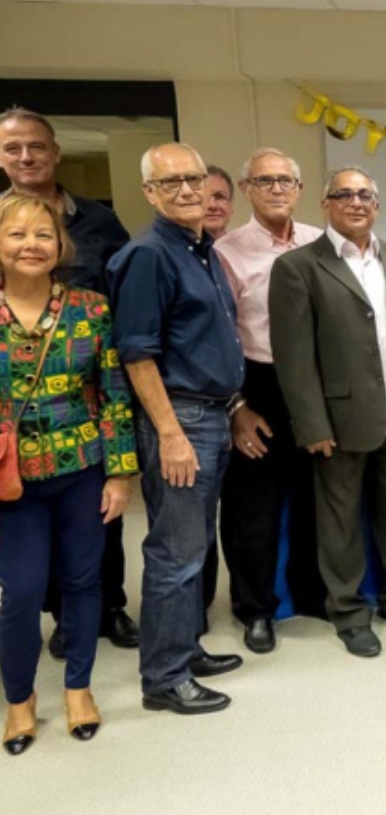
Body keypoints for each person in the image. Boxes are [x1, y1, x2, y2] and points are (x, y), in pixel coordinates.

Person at [109, 143, 246, 714]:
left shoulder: (200, 249)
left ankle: (185, 648)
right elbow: (137, 354)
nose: (187, 191)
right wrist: (169, 434)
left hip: (211, 414)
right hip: (181, 418)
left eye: (194, 179)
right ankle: (163, 678)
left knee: (195, 543)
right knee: (174, 551)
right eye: (171, 184)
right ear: (149, 193)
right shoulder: (149, 255)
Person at [269, 165, 386, 659]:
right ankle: (350, 612)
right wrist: (311, 424)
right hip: (338, 420)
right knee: (340, 521)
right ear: (326, 203)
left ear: (376, 205)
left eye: (365, 195)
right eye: (344, 194)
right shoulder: (298, 266)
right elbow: (294, 358)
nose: (356, 202)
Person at [0, 194, 136, 754]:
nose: (30, 245)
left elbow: (114, 396)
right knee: (22, 592)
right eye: (16, 234)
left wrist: (121, 474)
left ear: (61, 245)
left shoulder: (90, 308)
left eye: (43, 235)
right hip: (11, 481)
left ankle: (78, 686)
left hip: (82, 468)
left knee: (86, 582)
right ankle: (20, 700)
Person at [214, 148, 325, 654]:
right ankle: (255, 609)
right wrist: (237, 407)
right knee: (254, 511)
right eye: (265, 181)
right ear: (246, 189)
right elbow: (218, 337)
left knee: (313, 501)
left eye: (286, 181)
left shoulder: (322, 244)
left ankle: (310, 594)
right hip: (256, 384)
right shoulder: (227, 251)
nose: (277, 189)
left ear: (300, 190)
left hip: (315, 387)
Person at [203, 165, 234, 240]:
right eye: (204, 197)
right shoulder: (174, 249)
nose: (212, 205)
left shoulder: (246, 248)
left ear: (231, 205)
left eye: (219, 197)